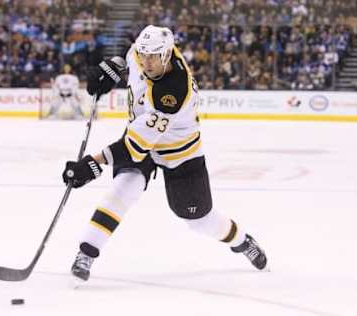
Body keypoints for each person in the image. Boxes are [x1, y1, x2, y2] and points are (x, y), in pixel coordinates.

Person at [62, 25, 268, 282]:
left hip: (179, 152)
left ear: (167, 55)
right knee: (124, 188)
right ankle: (86, 253)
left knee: (199, 220)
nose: (146, 62)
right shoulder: (144, 51)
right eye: (143, 54)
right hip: (142, 134)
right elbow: (131, 54)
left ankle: (241, 240)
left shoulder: (172, 92)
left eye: (153, 57)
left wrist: (91, 164)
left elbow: (132, 147)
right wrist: (113, 66)